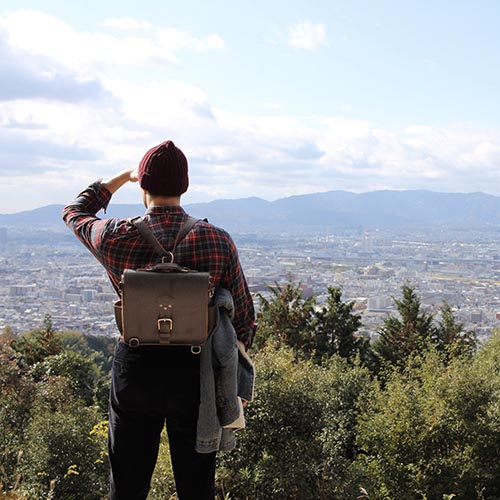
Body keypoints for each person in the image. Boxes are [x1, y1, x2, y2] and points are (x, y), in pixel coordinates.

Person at [62, 140, 256, 500]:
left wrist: (122, 176)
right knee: (196, 486)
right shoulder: (216, 239)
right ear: (184, 185)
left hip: (136, 370)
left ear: (143, 186)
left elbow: (75, 211)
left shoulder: (115, 236)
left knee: (128, 483)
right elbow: (244, 317)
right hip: (196, 373)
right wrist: (236, 378)